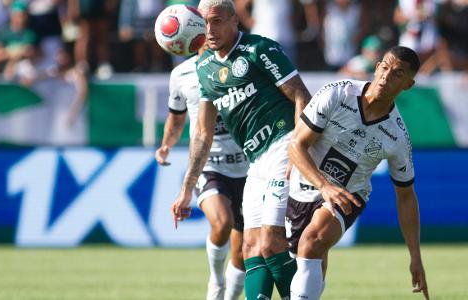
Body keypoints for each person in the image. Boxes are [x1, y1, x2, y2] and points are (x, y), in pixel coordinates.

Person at [170, 1, 312, 299]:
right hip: (255, 161)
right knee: (249, 247)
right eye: (205, 22)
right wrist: (185, 190)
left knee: (272, 241)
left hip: (283, 145)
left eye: (217, 21)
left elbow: (301, 95)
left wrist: (299, 150)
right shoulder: (205, 68)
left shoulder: (260, 49)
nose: (210, 30)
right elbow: (202, 135)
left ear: (236, 20)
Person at [287, 46, 429, 300]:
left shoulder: (397, 136)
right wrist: (323, 186)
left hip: (349, 195)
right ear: (376, 68)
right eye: (384, 67)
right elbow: (296, 145)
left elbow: (406, 196)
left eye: (397, 73)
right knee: (298, 258)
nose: (387, 76)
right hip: (303, 183)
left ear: (408, 85)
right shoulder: (338, 94)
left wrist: (415, 257)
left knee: (312, 241)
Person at [157, 45, 249, 300]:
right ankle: (216, 281)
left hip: (250, 168)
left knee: (243, 254)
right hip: (211, 166)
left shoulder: (242, 65)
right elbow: (176, 118)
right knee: (222, 222)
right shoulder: (181, 74)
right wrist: (166, 145)